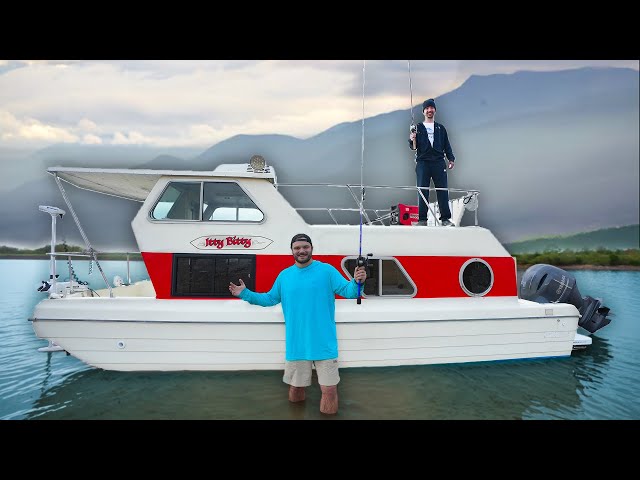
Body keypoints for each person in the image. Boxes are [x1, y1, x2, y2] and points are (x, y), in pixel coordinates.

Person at [228, 233, 367, 415]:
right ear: (292, 251)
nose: (301, 251)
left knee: (330, 390)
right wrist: (245, 293)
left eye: (305, 247)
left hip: (325, 344)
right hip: (297, 345)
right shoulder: (285, 276)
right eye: (297, 248)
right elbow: (269, 298)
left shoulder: (327, 271)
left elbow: (349, 291)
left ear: (311, 249)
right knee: (296, 389)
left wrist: (358, 282)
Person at [408, 98, 456, 226]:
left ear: (435, 110)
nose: (430, 110)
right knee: (423, 191)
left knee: (442, 190)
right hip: (423, 163)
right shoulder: (417, 127)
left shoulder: (441, 128)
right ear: (423, 111)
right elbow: (413, 147)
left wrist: (451, 158)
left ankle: (445, 219)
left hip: (439, 163)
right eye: (427, 108)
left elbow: (447, 145)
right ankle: (422, 219)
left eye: (431, 108)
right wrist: (411, 138)